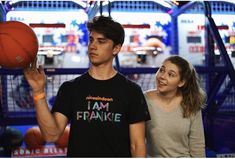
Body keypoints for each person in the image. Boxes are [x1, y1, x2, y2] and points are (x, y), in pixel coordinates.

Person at [23, 15, 150, 157]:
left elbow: (137, 145)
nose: (93, 46)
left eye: (101, 41)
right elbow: (51, 136)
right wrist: (38, 91)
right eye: (91, 40)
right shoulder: (70, 88)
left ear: (116, 48)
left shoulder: (132, 91)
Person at [144, 55, 206, 157]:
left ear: (181, 82)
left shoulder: (190, 103)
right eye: (161, 70)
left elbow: (197, 145)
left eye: (170, 74)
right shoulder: (144, 100)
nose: (162, 76)